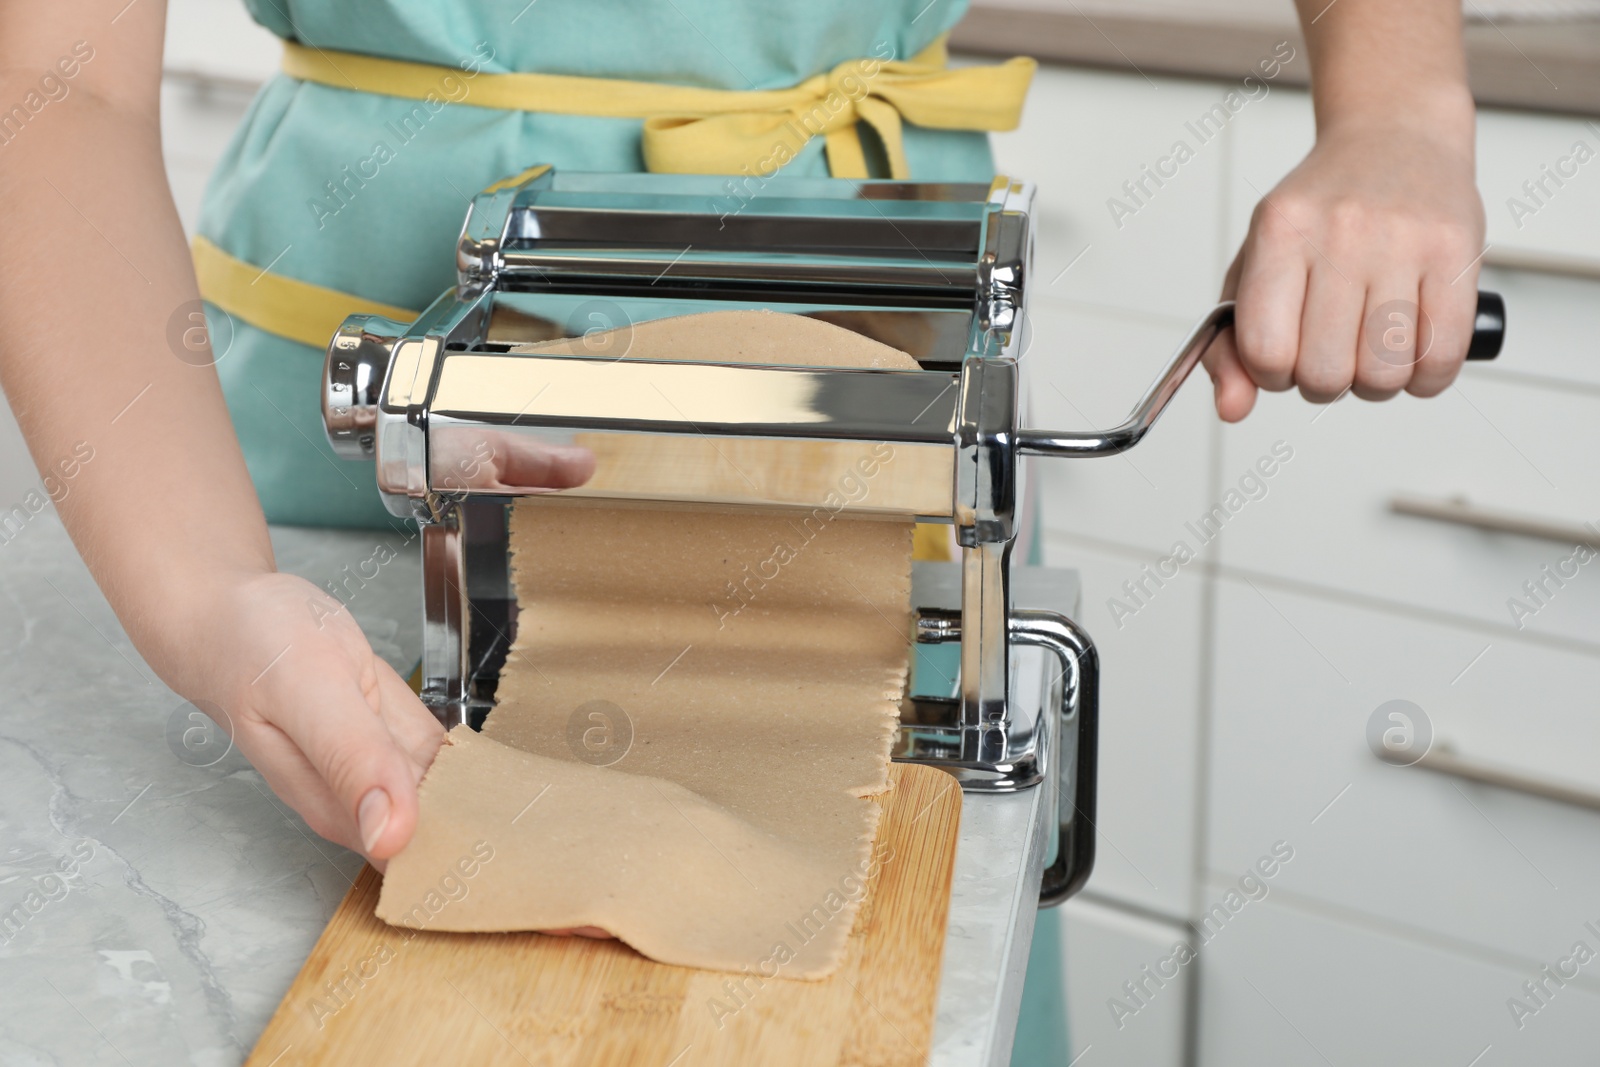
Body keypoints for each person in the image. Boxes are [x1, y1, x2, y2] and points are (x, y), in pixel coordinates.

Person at [0, 0, 1483, 1059]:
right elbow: (52, 77)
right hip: (327, 477)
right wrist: (210, 599)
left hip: (867, 442)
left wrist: (1400, 107)